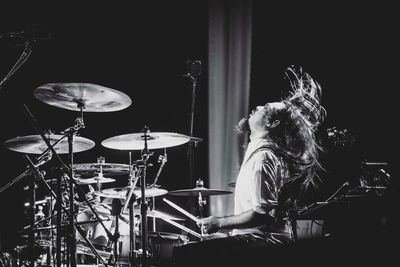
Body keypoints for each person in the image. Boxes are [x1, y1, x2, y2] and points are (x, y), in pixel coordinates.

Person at [172, 66, 327, 266]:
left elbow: (261, 215)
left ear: (273, 124)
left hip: (264, 243)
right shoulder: (261, 152)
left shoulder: (263, 158)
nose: (258, 107)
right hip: (256, 239)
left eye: (266, 109)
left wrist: (219, 223)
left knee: (187, 256)